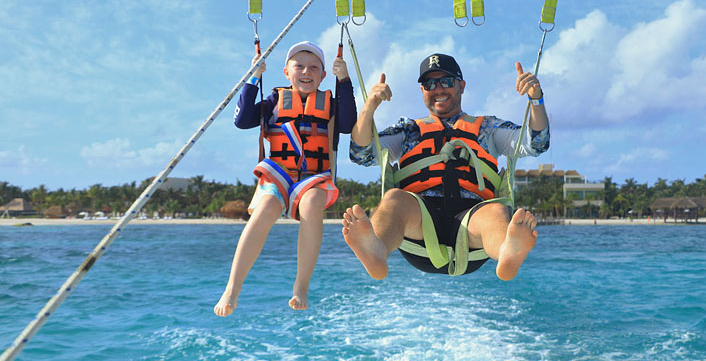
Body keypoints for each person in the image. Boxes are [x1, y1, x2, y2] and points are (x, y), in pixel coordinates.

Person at [342, 53, 549, 280]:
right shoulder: (408, 130)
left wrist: (536, 100)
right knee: (394, 199)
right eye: (430, 83)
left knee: (496, 211)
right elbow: (361, 154)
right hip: (419, 225)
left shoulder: (487, 128)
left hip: (473, 228)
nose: (438, 89)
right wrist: (369, 108)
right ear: (422, 90)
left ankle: (507, 252)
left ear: (461, 85)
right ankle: (376, 250)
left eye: (447, 82)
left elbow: (535, 143)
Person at [214, 41, 357, 315]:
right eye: (299, 66)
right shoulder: (274, 101)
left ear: (323, 75)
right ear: (286, 72)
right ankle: (233, 287)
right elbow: (242, 120)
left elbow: (348, 124)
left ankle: (301, 285)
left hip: (314, 177)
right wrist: (253, 76)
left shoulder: (330, 104)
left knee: (313, 204)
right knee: (264, 210)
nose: (306, 71)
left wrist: (345, 79)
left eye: (314, 67)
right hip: (279, 173)